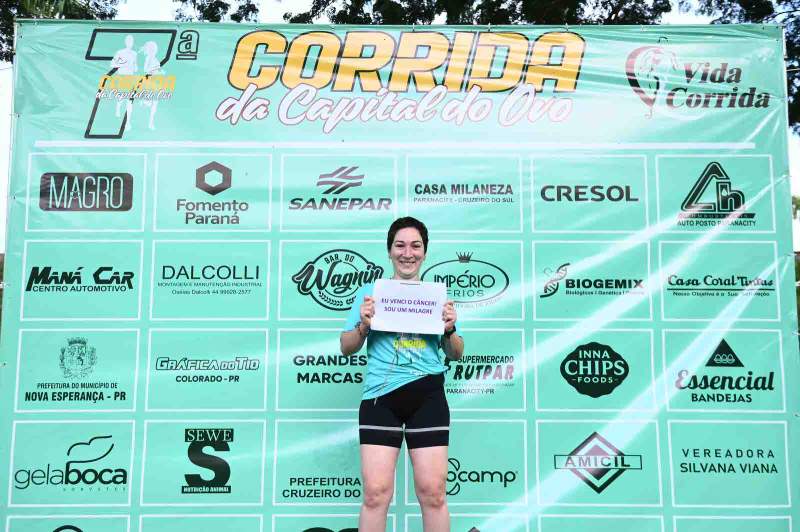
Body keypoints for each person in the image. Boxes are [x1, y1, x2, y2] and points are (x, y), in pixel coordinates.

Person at [340, 216, 464, 532]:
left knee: (434, 494)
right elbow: (347, 347)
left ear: (425, 252)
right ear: (389, 251)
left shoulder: (436, 295)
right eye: (400, 245)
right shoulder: (370, 292)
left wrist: (449, 329)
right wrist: (363, 325)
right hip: (381, 399)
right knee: (375, 494)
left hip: (428, 397)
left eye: (415, 246)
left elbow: (456, 353)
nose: (407, 253)